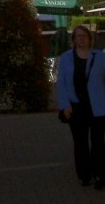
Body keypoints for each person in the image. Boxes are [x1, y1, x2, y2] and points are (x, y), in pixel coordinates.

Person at [57, 25, 105, 188]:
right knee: (80, 143)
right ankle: (84, 174)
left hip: (97, 105)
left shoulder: (99, 56)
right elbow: (61, 84)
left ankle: (99, 174)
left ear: (90, 39)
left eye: (84, 36)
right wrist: (65, 105)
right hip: (76, 106)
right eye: (78, 36)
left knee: (98, 142)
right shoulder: (65, 58)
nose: (81, 39)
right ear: (74, 39)